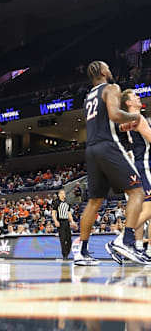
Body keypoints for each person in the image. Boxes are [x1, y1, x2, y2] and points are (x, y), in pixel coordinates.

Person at [74, 61, 146, 266]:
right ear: (104, 71)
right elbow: (114, 114)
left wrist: (124, 126)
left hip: (92, 148)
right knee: (137, 192)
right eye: (109, 67)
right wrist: (135, 117)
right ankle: (127, 241)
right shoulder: (111, 88)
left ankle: (82, 251)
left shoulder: (88, 96)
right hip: (108, 146)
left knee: (94, 201)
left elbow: (107, 123)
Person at [120, 89, 151, 258]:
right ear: (128, 103)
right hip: (143, 164)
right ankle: (123, 239)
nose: (138, 97)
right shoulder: (137, 118)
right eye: (134, 96)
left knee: (144, 209)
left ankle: (135, 246)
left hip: (137, 166)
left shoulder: (130, 120)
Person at [52, 189, 77, 260]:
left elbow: (68, 213)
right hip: (60, 222)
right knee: (62, 239)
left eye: (64, 193)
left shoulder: (67, 203)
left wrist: (72, 221)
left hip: (66, 222)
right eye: (62, 193)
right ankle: (64, 255)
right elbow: (53, 213)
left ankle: (67, 253)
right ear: (59, 195)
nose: (63, 195)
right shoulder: (56, 203)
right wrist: (55, 221)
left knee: (69, 239)